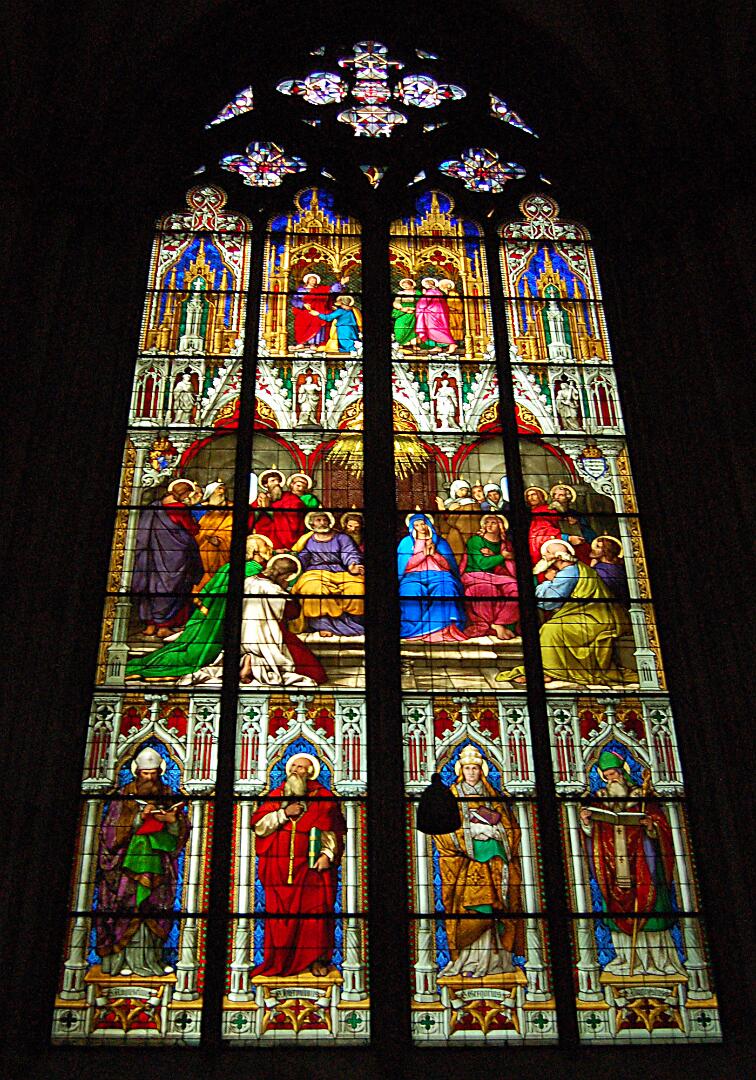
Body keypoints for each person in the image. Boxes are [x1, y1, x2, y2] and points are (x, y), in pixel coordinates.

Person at [579, 749, 685, 977]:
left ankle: (660, 960)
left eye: (614, 774)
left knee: (653, 909)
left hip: (644, 863)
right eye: (607, 776)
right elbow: (591, 836)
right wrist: (587, 824)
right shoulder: (600, 801)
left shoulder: (642, 798)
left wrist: (651, 827)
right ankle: (626, 957)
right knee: (615, 911)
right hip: (612, 867)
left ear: (623, 773)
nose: (611, 779)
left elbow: (664, 829)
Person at [126, 534, 273, 681]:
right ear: (255, 551)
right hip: (217, 622)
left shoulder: (233, 568)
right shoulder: (250, 571)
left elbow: (208, 593)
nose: (270, 548)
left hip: (222, 620)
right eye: (266, 546)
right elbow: (216, 591)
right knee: (194, 655)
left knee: (189, 650)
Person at [96, 746, 190, 977]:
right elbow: (110, 831)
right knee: (126, 908)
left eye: (154, 773)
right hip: (127, 866)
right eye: (145, 774)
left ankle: (153, 960)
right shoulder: (123, 796)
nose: (149, 778)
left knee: (156, 908)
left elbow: (181, 833)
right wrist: (139, 818)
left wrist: (171, 821)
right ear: (137, 772)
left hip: (159, 865)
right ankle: (121, 962)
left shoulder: (167, 795)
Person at [251, 752, 346, 978]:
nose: (295, 770)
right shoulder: (276, 796)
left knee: (314, 915)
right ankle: (279, 961)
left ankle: (316, 960)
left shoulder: (323, 797)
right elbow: (260, 827)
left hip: (311, 870)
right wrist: (284, 813)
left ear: (311, 772)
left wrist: (327, 854)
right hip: (278, 868)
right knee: (278, 917)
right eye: (293, 766)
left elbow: (332, 830)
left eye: (301, 767)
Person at [433, 746, 524, 978]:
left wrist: (495, 832)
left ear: (481, 770)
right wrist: (471, 832)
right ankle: (466, 960)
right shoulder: (452, 796)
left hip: (495, 864)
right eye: (467, 768)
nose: (471, 772)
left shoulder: (492, 796)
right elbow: (440, 830)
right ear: (461, 771)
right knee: (469, 910)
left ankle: (495, 960)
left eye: (475, 768)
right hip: (464, 868)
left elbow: (512, 830)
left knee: (495, 908)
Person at [497, 539, 631, 686]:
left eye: (548, 553)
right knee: (551, 628)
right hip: (589, 614)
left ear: (559, 557)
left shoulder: (568, 573)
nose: (544, 556)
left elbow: (548, 602)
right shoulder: (572, 569)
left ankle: (549, 672)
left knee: (551, 630)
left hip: (596, 618)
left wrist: (547, 582)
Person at [178, 554, 326, 687]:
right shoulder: (273, 589)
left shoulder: (247, 581)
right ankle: (253, 662)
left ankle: (248, 661)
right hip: (265, 634)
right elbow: (292, 612)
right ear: (284, 575)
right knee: (314, 672)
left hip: (240, 633)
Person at [132, 478, 204, 638]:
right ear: (183, 493)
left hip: (152, 554)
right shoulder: (180, 508)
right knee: (172, 587)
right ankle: (164, 626)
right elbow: (192, 529)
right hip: (175, 556)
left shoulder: (155, 506)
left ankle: (150, 625)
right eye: (187, 494)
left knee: (152, 584)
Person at [290, 511, 364, 636]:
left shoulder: (342, 538)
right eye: (318, 520)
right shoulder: (307, 540)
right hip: (315, 572)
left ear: (330, 522)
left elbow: (350, 553)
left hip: (341, 571)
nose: (322, 523)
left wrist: (352, 565)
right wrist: (292, 564)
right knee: (313, 589)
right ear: (312, 523)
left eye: (325, 520)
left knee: (357, 588)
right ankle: (322, 625)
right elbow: (302, 558)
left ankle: (354, 623)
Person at [398, 513, 466, 640]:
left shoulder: (440, 542)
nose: (421, 527)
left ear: (428, 524)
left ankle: (442, 630)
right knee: (409, 591)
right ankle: (412, 630)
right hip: (413, 577)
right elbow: (404, 566)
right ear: (412, 527)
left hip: (439, 575)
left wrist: (434, 554)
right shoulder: (406, 543)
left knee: (446, 588)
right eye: (416, 525)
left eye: (423, 523)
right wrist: (422, 555)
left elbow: (448, 566)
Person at [461, 514, 520, 639]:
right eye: (487, 522)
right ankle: (490, 625)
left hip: (499, 576)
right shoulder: (476, 541)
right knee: (486, 589)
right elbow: (482, 564)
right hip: (474, 575)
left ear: (501, 526)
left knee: (515, 588)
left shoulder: (505, 544)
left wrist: (497, 556)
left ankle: (500, 622)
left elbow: (508, 565)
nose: (489, 525)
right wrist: (502, 556)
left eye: (493, 522)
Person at [249, 471, 319, 550]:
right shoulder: (261, 498)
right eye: (273, 481)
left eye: (278, 480)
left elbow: (297, 516)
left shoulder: (290, 497)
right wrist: (258, 510)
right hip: (263, 541)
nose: (277, 483)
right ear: (265, 484)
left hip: (284, 539)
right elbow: (249, 518)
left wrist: (270, 511)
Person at [291, 272, 348, 351]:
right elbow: (294, 300)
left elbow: (331, 290)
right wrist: (303, 304)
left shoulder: (320, 290)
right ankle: (301, 343)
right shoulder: (301, 290)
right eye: (311, 279)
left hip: (317, 311)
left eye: (315, 280)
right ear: (307, 280)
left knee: (317, 323)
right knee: (300, 325)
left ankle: (313, 343)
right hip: (304, 312)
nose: (313, 281)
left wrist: (341, 283)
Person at [194, 480, 233, 590]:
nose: (222, 491)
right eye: (218, 489)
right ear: (211, 493)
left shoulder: (232, 509)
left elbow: (231, 530)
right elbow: (197, 532)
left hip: (223, 551)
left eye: (223, 488)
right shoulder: (202, 510)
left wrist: (219, 540)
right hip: (202, 550)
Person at [548, 483, 596, 563]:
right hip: (558, 546)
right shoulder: (548, 513)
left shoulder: (575, 514)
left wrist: (578, 523)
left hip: (579, 545)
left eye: (561, 495)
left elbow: (588, 532)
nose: (556, 497)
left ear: (568, 498)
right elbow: (547, 532)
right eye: (555, 495)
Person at [416, 276, 457, 354]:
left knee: (434, 330)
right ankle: (437, 347)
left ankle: (452, 344)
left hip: (432, 314)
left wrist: (419, 308)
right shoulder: (438, 292)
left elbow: (423, 304)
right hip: (437, 314)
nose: (427, 285)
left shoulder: (430, 292)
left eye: (428, 284)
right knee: (436, 330)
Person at [590, 535, 630, 604]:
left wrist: (592, 568)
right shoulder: (617, 567)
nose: (593, 548)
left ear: (606, 551)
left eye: (598, 547)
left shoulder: (599, 570)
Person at [392, 277, 418, 347]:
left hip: (413, 313)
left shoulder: (417, 293)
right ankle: (400, 343)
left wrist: (414, 309)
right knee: (399, 327)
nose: (405, 286)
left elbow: (421, 303)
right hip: (402, 312)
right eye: (403, 285)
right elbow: (396, 302)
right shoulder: (400, 293)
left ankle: (414, 345)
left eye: (407, 284)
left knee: (413, 329)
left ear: (411, 285)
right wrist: (402, 308)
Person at [438, 278, 464, 344]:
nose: (444, 287)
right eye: (442, 285)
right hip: (444, 314)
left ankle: (455, 341)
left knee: (454, 327)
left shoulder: (453, 294)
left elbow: (459, 304)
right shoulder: (440, 294)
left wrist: (454, 308)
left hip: (454, 314)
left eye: (446, 285)